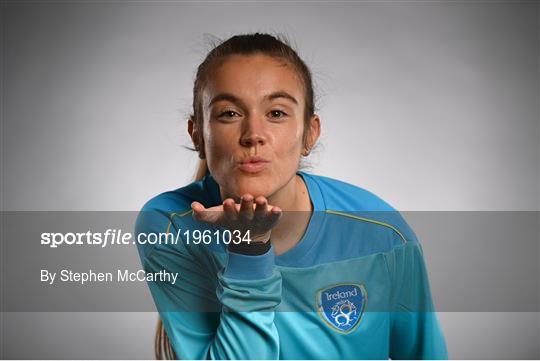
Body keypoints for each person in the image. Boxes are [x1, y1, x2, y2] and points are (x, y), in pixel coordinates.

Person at [135, 32, 448, 360]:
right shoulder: (170, 225)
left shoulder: (382, 233)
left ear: (310, 133)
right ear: (197, 133)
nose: (253, 134)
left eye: (276, 113)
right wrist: (250, 248)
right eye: (229, 113)